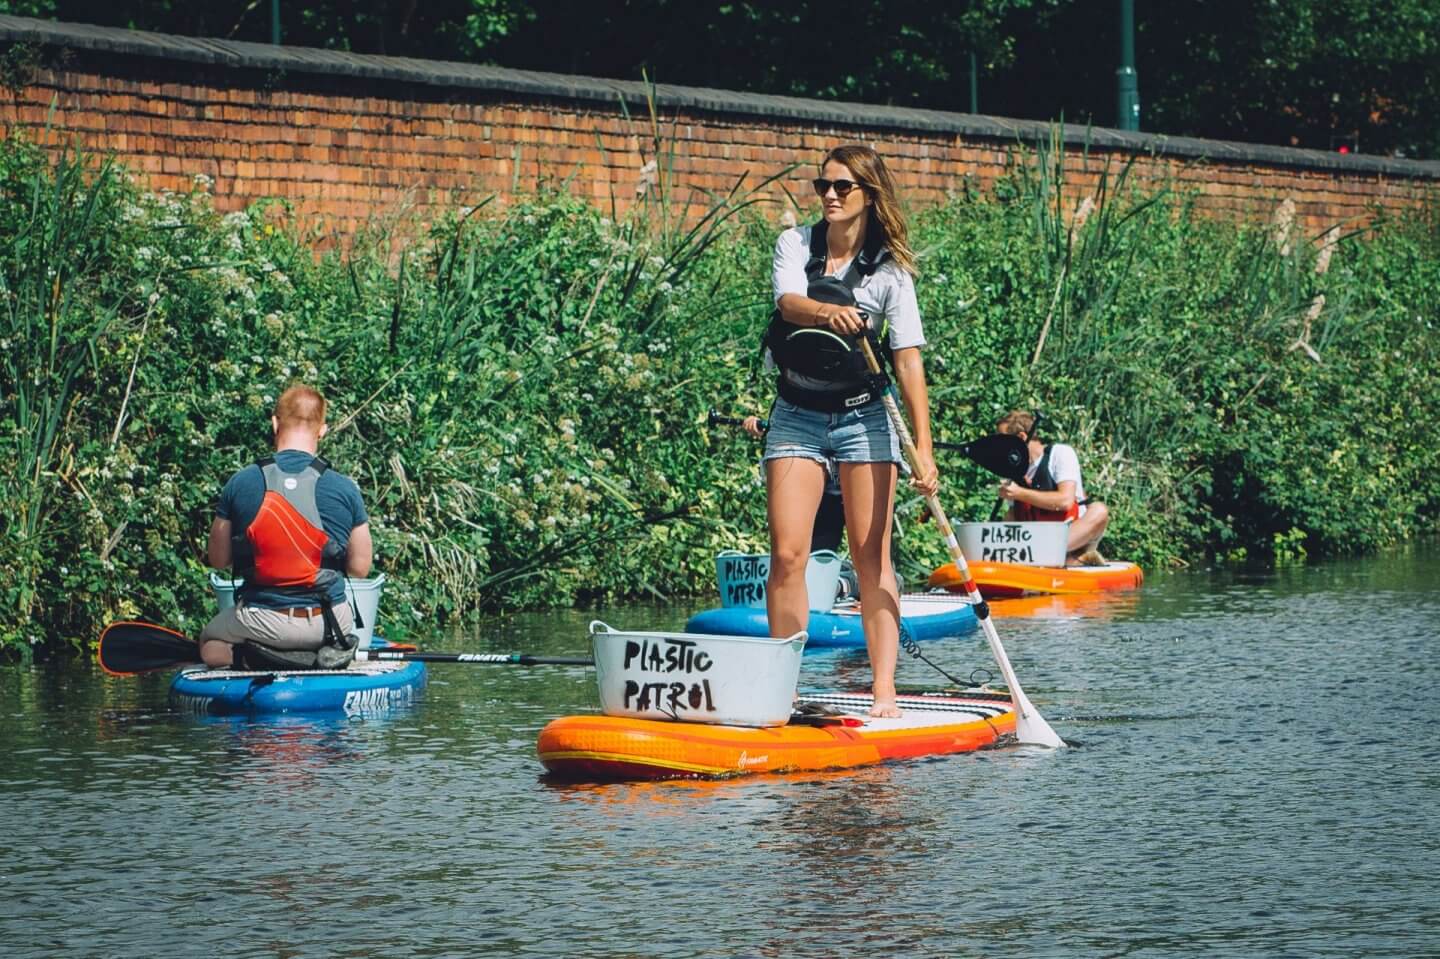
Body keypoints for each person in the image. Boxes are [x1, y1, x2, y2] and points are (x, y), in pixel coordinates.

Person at [763, 144, 937, 718]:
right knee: (788, 554)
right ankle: (781, 687)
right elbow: (789, 304)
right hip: (796, 414)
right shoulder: (797, 244)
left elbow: (907, 360)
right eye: (823, 186)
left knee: (871, 559)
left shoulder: (889, 271)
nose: (830, 196)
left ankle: (883, 688)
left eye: (842, 187)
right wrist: (827, 313)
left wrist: (924, 450)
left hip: (865, 417)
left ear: (868, 195)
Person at [199, 385, 373, 669]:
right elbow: (359, 568)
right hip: (329, 623)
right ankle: (316, 655)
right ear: (323, 430)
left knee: (208, 643)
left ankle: (257, 658)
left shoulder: (241, 482)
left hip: (263, 621)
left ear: (275, 423)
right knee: (337, 616)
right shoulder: (345, 488)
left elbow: (219, 560)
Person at [994, 410, 1110, 565]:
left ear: (1021, 438)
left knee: (1099, 510)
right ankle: (1066, 560)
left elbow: (1065, 501)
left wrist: (1019, 493)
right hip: (1033, 541)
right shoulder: (1013, 471)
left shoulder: (1060, 454)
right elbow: (1014, 516)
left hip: (1068, 535)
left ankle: (1067, 557)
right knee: (1009, 516)